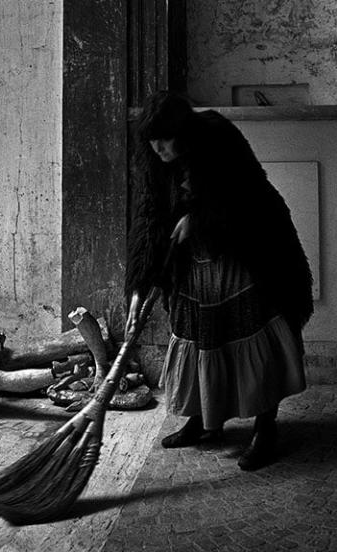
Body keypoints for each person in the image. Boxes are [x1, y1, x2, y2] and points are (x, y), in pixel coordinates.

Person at [125, 91, 313, 471]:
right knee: (201, 335)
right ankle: (204, 422)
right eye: (152, 139)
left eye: (165, 138)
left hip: (246, 249)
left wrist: (202, 218)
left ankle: (265, 427)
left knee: (254, 332)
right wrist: (139, 285)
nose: (158, 147)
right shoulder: (153, 155)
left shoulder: (218, 135)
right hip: (195, 264)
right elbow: (149, 212)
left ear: (182, 131)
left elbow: (249, 194)